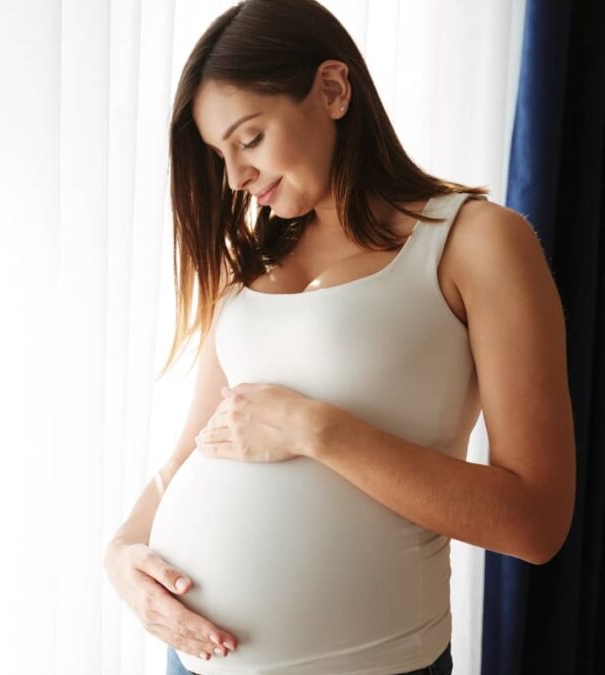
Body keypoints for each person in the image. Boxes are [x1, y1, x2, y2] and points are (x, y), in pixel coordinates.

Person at [102, 1, 576, 674]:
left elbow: (536, 520)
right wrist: (121, 554)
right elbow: (190, 453)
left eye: (249, 138)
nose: (234, 178)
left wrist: (315, 428)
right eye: (219, 154)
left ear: (332, 90)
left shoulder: (474, 242)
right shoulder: (248, 270)